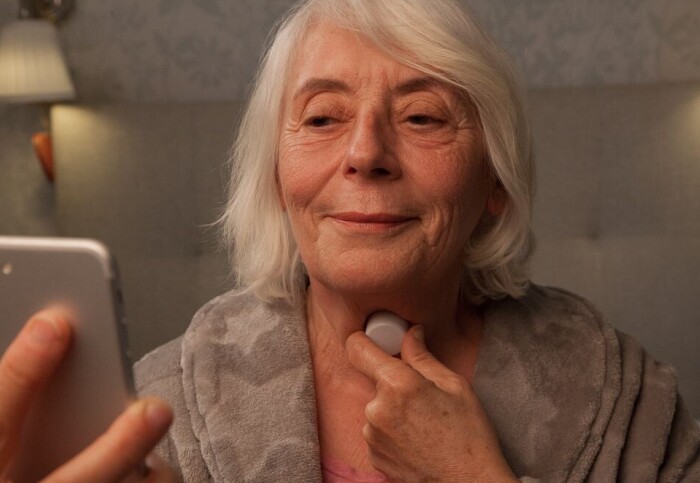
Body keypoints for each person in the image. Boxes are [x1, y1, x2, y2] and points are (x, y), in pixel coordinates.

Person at [1, 0, 698, 481]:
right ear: (276, 174)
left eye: (424, 117)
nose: (366, 152)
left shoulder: (632, 405)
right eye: (323, 117)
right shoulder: (153, 410)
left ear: (496, 181)